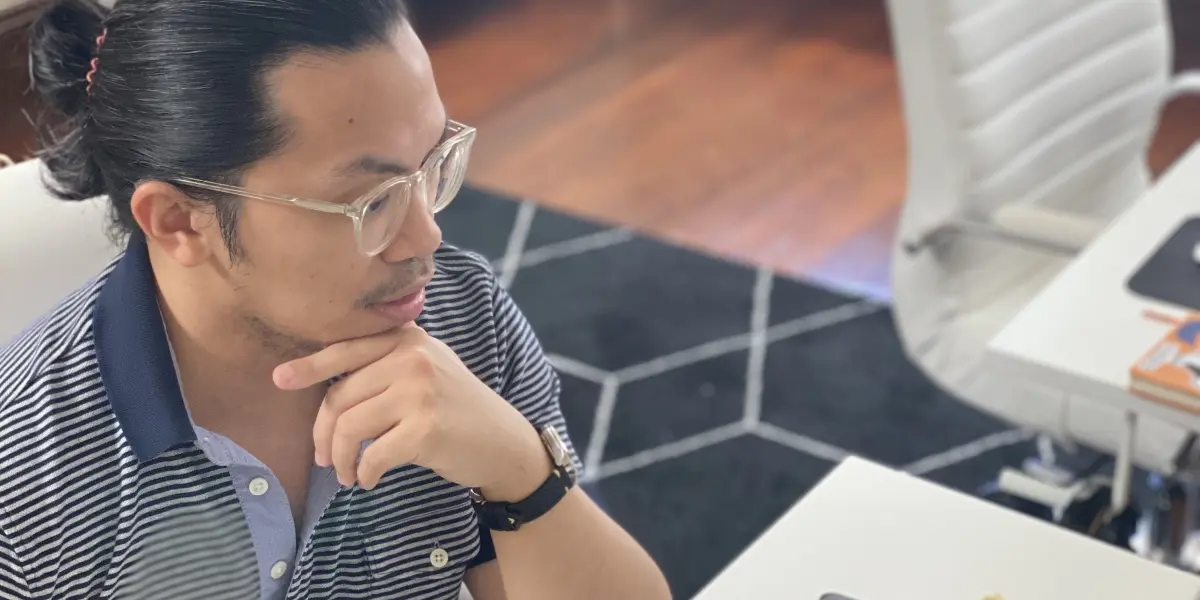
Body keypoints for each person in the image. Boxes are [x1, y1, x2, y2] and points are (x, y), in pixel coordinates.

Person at [0, 1, 671, 598]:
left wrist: (518, 468)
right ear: (180, 222)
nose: (426, 239)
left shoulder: (461, 317)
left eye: (430, 166)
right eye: (371, 202)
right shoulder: (26, 481)